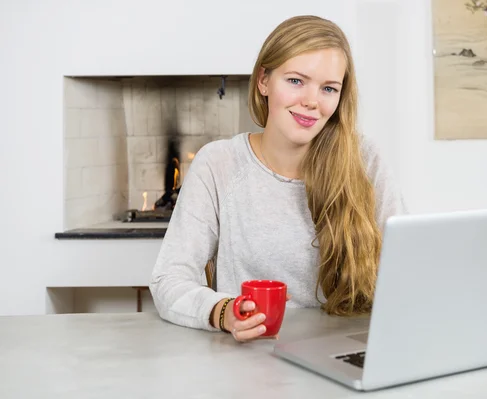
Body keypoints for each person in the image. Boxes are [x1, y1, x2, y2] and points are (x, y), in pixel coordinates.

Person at [149, 15, 400, 343]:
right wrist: (224, 311)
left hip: (347, 352)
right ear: (264, 81)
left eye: (328, 88)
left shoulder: (364, 159)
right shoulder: (219, 163)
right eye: (296, 81)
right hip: (252, 360)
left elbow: (406, 267)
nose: (312, 101)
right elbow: (169, 280)